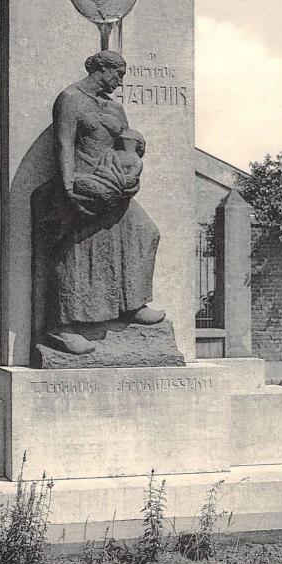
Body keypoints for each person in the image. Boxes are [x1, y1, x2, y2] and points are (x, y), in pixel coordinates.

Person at [46, 50, 165, 354]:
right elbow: (63, 143)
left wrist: (133, 175)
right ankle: (62, 327)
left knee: (145, 232)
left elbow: (128, 146)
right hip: (83, 183)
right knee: (78, 250)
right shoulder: (70, 98)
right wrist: (68, 188)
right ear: (101, 69)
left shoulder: (116, 109)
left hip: (113, 184)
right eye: (118, 74)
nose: (120, 82)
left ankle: (133, 305)